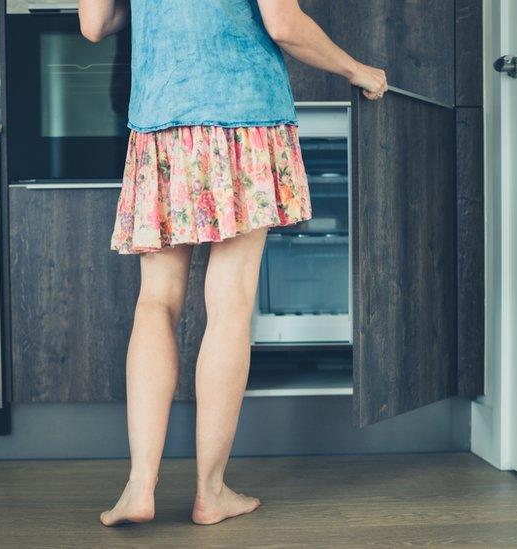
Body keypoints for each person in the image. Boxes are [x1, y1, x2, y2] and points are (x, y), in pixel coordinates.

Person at [79, 0, 387, 527]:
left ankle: (139, 487)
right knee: (229, 304)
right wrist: (359, 70)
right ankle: (210, 492)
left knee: (155, 301)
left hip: (160, 120)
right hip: (244, 117)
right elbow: (283, 24)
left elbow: (95, 25)